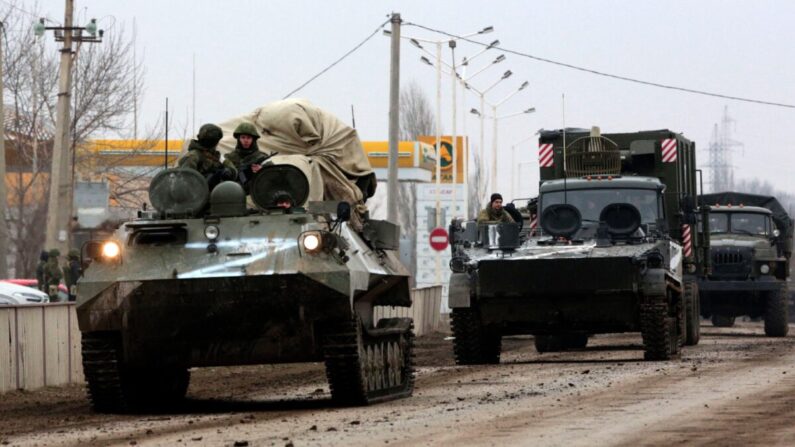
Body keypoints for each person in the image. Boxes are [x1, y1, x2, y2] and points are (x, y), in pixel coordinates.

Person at [178, 123, 237, 190]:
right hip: (198, 197)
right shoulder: (193, 156)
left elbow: (234, 173)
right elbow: (185, 183)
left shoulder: (216, 156)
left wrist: (227, 171)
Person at [225, 122, 270, 191]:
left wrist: (262, 170)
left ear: (253, 140)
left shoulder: (262, 157)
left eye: (249, 138)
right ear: (238, 139)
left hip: (255, 192)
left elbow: (273, 174)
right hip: (234, 192)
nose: (246, 141)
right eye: (243, 137)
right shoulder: (230, 157)